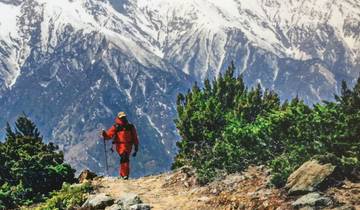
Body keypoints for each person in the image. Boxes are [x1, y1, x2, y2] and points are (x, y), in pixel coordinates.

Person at [101, 112, 139, 179]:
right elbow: (109, 136)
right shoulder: (116, 127)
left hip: (128, 146)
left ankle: (123, 175)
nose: (123, 118)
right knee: (124, 158)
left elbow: (135, 137)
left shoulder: (130, 126)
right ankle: (125, 175)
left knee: (124, 159)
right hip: (120, 146)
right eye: (122, 117)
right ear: (119, 118)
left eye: (124, 117)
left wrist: (136, 148)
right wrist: (104, 135)